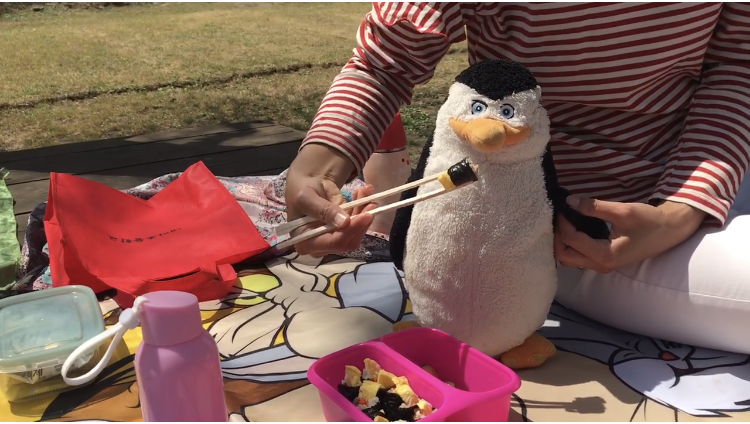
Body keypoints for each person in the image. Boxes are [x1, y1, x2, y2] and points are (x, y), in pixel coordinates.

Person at [284, 3, 750, 354]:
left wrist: (684, 209)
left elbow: (737, 63)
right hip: (570, 233)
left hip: (701, 185)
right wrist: (317, 170)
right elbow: (385, 62)